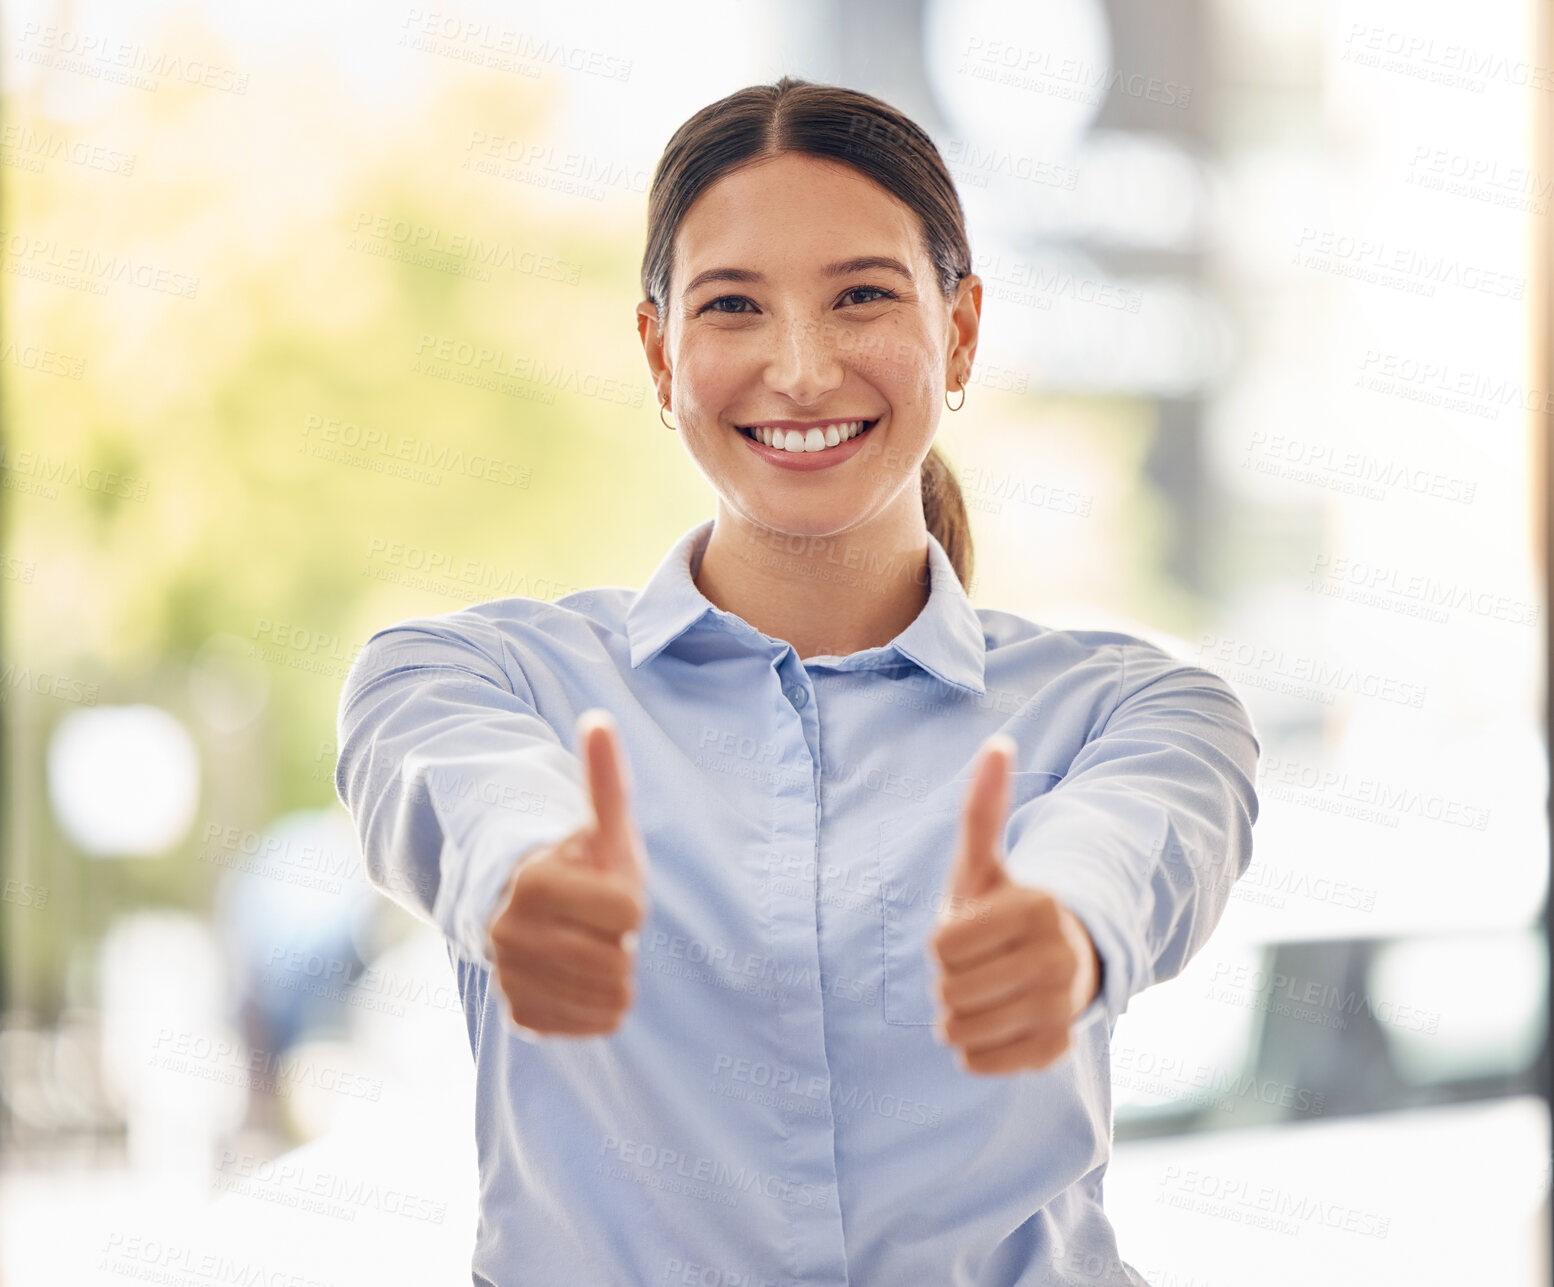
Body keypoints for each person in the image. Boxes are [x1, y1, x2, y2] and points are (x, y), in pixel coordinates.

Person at [334, 75, 1260, 1287]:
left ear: (962, 329)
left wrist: (1063, 929)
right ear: (661, 355)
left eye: (863, 296)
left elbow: (1133, 838)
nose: (805, 370)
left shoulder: (1136, 709)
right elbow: (459, 782)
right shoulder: (474, 677)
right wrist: (525, 877)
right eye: (733, 307)